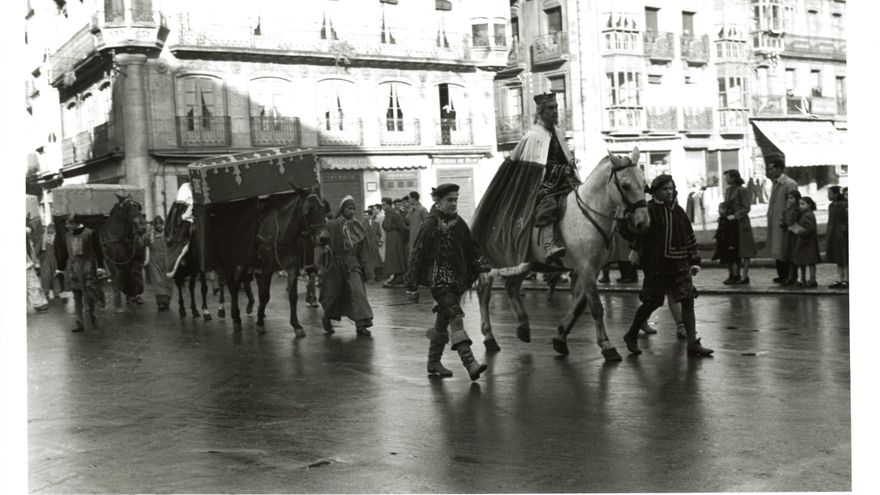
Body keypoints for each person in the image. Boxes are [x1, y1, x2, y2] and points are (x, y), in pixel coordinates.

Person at [471, 92, 579, 265]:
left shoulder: (558, 133)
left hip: (564, 179)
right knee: (548, 204)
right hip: (542, 184)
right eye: (551, 108)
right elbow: (532, 169)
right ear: (541, 111)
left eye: (556, 107)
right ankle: (549, 244)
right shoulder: (533, 136)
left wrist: (570, 167)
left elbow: (562, 157)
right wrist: (559, 169)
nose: (555, 111)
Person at [406, 183, 491, 380]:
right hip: (439, 281)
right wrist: (412, 286)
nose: (453, 203)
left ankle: (433, 361)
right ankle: (470, 364)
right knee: (455, 316)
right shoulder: (429, 225)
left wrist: (482, 268)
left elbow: (472, 248)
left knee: (442, 321)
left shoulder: (459, 223)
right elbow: (417, 254)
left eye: (455, 199)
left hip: (457, 281)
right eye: (449, 200)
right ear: (438, 201)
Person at [622, 175, 713, 357]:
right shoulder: (649, 210)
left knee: (687, 300)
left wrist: (694, 260)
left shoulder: (678, 212)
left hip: (680, 264)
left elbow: (688, 236)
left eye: (671, 188)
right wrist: (636, 252)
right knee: (652, 303)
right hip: (658, 264)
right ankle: (631, 334)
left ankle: (692, 342)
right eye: (665, 189)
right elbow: (639, 234)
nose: (669, 192)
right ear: (656, 192)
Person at [319, 196, 374, 336]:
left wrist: (366, 268)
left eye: (354, 208)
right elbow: (322, 245)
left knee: (357, 292)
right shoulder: (331, 225)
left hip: (352, 264)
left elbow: (363, 249)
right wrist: (321, 267)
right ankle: (327, 318)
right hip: (335, 264)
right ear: (342, 209)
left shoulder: (357, 226)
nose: (352, 211)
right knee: (333, 294)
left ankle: (361, 324)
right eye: (349, 208)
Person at [59, 215, 99, 332]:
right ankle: (79, 322)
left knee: (90, 295)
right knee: (77, 296)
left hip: (87, 267)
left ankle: (93, 316)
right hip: (73, 269)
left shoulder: (90, 233)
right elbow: (65, 253)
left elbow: (98, 250)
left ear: (75, 223)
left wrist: (100, 267)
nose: (66, 226)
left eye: (68, 224)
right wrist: (61, 268)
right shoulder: (67, 235)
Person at [765, 156, 799, 283]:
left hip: (784, 222)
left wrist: (785, 219)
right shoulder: (775, 183)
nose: (770, 172)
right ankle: (781, 274)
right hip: (775, 221)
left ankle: (789, 276)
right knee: (777, 248)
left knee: (785, 248)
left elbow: (792, 204)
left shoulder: (789, 184)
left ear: (780, 169)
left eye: (772, 169)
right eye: (769, 169)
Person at [722, 169, 757, 284]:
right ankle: (734, 274)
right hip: (730, 224)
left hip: (741, 224)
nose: (726, 179)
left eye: (728, 177)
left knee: (745, 251)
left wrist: (736, 216)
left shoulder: (743, 190)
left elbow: (746, 207)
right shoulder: (728, 190)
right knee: (732, 250)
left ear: (734, 178)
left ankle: (744, 276)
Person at [790, 196, 821, 288]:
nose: (800, 206)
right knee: (802, 261)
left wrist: (798, 231)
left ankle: (812, 279)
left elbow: (810, 229)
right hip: (803, 242)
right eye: (799, 204)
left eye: (803, 204)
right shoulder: (804, 214)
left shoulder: (808, 215)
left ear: (809, 205)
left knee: (810, 261)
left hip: (808, 242)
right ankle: (803, 279)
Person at [381, 197, 408, 287]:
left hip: (396, 238)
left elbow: (402, 226)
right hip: (390, 237)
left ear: (389, 205)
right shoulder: (388, 214)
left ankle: (399, 276)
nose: (383, 207)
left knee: (396, 256)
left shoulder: (394, 214)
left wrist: (403, 239)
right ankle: (396, 275)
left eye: (384, 205)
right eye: (382, 205)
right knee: (391, 257)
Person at [147, 215, 172, 311]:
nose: (159, 226)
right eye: (156, 224)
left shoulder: (168, 234)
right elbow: (141, 243)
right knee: (158, 282)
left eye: (160, 224)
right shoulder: (149, 235)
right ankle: (160, 302)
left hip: (167, 261)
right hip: (154, 262)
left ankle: (167, 301)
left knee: (168, 282)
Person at [825, 186, 848, 289]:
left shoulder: (844, 205)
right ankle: (840, 279)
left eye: (830, 193)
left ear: (836, 194)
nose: (828, 196)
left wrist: (845, 228)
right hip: (834, 233)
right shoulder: (831, 206)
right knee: (838, 257)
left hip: (842, 234)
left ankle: (846, 279)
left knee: (845, 257)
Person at [713, 202, 740, 283]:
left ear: (725, 209)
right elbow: (719, 230)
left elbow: (733, 233)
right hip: (723, 244)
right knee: (726, 261)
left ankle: (735, 276)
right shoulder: (721, 220)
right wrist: (716, 237)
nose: (719, 211)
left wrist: (732, 244)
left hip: (730, 243)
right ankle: (731, 274)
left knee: (733, 260)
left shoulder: (730, 220)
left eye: (720, 209)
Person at [780, 190, 802, 286]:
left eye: (791, 198)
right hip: (787, 236)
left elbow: (800, 222)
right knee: (788, 256)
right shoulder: (786, 210)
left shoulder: (799, 210)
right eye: (788, 198)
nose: (789, 200)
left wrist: (793, 228)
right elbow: (783, 220)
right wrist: (782, 224)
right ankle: (790, 276)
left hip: (795, 236)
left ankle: (796, 276)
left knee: (795, 256)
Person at [27, 226, 49, 312]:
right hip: (27, 265)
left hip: (28, 265)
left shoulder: (28, 241)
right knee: (32, 284)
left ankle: (39, 303)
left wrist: (36, 264)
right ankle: (38, 303)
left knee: (33, 284)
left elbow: (32, 253)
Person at [38, 224, 63, 301]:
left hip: (55, 259)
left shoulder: (56, 237)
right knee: (46, 277)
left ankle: (56, 293)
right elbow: (38, 248)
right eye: (49, 228)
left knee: (55, 276)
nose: (51, 229)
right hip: (45, 260)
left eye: (52, 228)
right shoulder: (43, 237)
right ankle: (46, 293)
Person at [361, 207, 383, 282]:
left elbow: (379, 234)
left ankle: (377, 276)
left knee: (376, 260)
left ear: (370, 216)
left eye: (366, 215)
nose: (365, 217)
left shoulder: (376, 224)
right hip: (366, 245)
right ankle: (369, 276)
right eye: (364, 215)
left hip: (374, 244)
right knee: (368, 261)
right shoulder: (362, 224)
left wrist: (378, 240)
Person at [406, 191, 430, 255]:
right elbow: (407, 220)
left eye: (409, 198)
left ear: (414, 198)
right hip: (412, 235)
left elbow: (428, 222)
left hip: (419, 235)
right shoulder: (410, 209)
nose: (408, 200)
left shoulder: (422, 209)